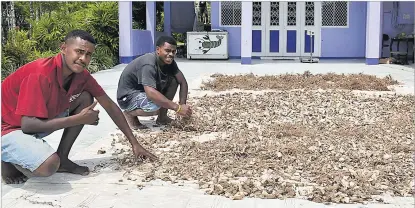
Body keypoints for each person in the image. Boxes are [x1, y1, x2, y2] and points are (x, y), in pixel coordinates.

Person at [1, 30, 157, 184]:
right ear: (63, 48)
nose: (83, 58)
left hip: (32, 121)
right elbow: (28, 125)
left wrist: (134, 144)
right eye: (79, 51)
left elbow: (109, 105)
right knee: (48, 166)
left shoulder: (82, 76)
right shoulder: (40, 73)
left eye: (88, 54)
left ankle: (63, 158)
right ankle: (7, 157)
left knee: (85, 98)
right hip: (9, 127)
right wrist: (78, 119)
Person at [116, 36, 192, 130]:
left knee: (174, 80)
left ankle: (162, 118)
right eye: (167, 50)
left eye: (173, 51)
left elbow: (182, 81)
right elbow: (151, 93)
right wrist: (177, 108)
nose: (171, 54)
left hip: (143, 92)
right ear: (158, 49)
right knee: (155, 106)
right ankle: (129, 114)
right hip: (128, 97)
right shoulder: (148, 63)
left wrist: (183, 104)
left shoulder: (169, 62)